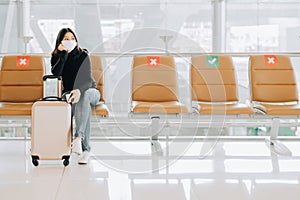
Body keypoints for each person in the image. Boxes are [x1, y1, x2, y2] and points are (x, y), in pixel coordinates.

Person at [51, 28, 100, 164]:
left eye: (72, 38)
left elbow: (89, 80)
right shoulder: (57, 56)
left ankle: (78, 138)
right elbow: (56, 74)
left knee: (84, 97)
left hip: (90, 91)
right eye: (66, 39)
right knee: (83, 106)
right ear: (60, 41)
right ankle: (85, 150)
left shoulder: (83, 55)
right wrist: (63, 55)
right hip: (69, 93)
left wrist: (79, 90)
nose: (70, 41)